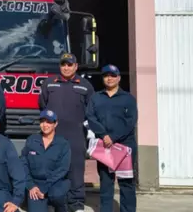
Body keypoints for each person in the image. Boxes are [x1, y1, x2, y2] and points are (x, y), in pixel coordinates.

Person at [38, 53, 94, 212]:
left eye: (70, 65)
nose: (66, 68)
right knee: (52, 168)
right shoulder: (49, 83)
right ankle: (52, 203)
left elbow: (91, 109)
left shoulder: (85, 85)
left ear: (76, 66)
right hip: (53, 134)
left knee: (76, 170)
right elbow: (42, 105)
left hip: (76, 134)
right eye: (63, 64)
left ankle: (76, 204)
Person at [85, 64, 138, 212]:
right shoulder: (96, 98)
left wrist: (113, 137)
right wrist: (104, 135)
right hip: (105, 146)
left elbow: (130, 122)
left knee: (126, 183)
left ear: (119, 78)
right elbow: (91, 117)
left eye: (113, 76)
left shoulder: (128, 99)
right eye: (106, 76)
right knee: (106, 183)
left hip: (125, 146)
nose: (109, 78)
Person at [20, 110, 71, 212]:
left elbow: (63, 169)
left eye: (49, 122)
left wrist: (45, 188)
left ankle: (60, 208)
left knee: (57, 195)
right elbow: (23, 163)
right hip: (35, 185)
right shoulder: (32, 140)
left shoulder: (63, 144)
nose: (45, 125)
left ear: (55, 124)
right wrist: (31, 186)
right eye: (42, 121)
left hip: (55, 183)